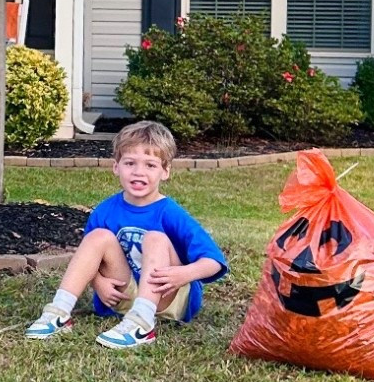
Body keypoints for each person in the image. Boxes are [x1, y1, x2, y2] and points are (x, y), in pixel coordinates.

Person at [26, 119, 226, 350]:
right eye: (130, 163)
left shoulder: (170, 212)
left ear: (165, 171)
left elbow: (214, 261)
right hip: (125, 295)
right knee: (97, 237)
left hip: (169, 297)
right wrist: (98, 282)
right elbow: (88, 261)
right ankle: (59, 312)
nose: (138, 172)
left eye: (150, 165)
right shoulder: (106, 210)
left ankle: (142, 324)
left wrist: (183, 274)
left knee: (155, 238)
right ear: (116, 167)